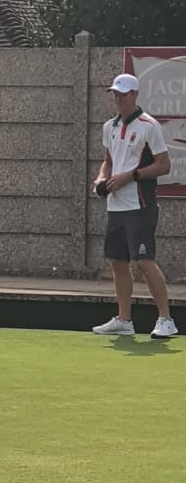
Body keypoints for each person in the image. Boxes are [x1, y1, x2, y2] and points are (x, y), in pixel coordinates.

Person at [91, 74, 178, 339]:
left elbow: (164, 165)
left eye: (123, 94)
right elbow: (108, 160)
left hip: (140, 204)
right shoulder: (110, 126)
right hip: (116, 206)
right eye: (115, 94)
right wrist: (100, 180)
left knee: (143, 260)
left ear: (134, 95)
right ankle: (124, 319)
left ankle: (166, 319)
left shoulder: (149, 125)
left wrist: (131, 176)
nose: (117, 98)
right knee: (117, 261)